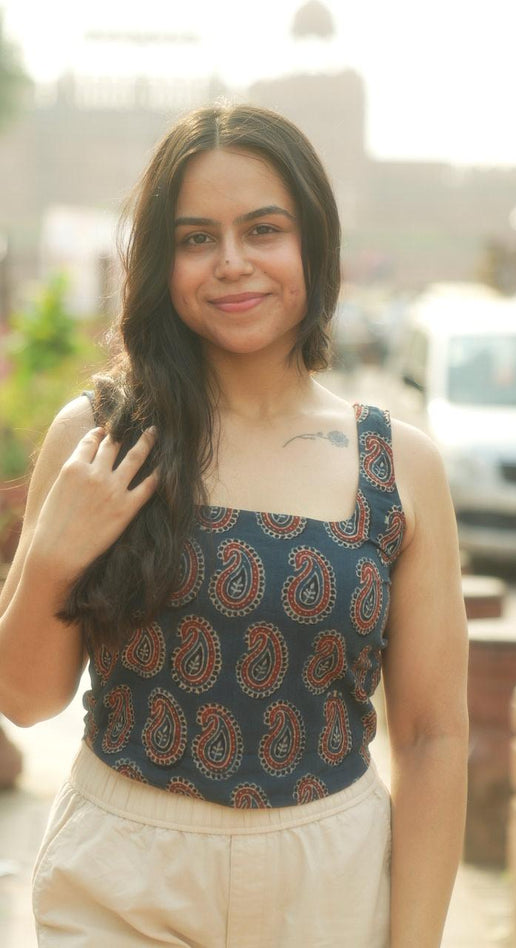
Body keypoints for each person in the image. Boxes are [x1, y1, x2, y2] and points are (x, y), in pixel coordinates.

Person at [0, 104, 468, 947]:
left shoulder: (397, 465)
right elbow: (26, 700)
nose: (230, 262)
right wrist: (52, 557)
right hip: (122, 877)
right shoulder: (104, 438)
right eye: (195, 238)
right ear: (161, 261)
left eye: (262, 229)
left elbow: (432, 738)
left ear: (312, 242)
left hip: (329, 881)